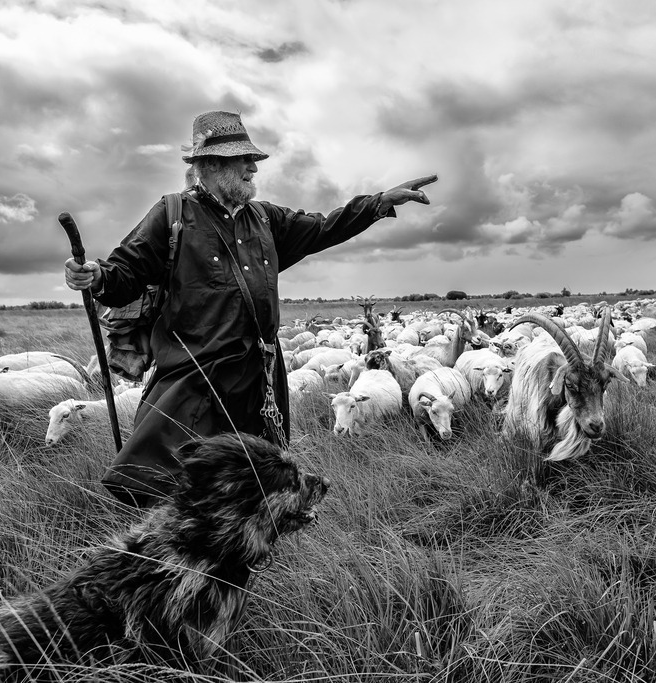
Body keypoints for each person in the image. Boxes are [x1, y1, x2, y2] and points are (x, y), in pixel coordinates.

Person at [65, 110, 436, 507]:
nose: (251, 168)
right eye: (241, 160)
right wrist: (96, 276)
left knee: (256, 481)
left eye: (251, 159)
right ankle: (177, 557)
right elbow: (124, 274)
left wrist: (378, 204)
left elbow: (325, 227)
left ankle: (247, 555)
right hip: (197, 377)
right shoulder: (172, 215)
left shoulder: (266, 219)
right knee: (178, 484)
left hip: (259, 377)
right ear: (208, 165)